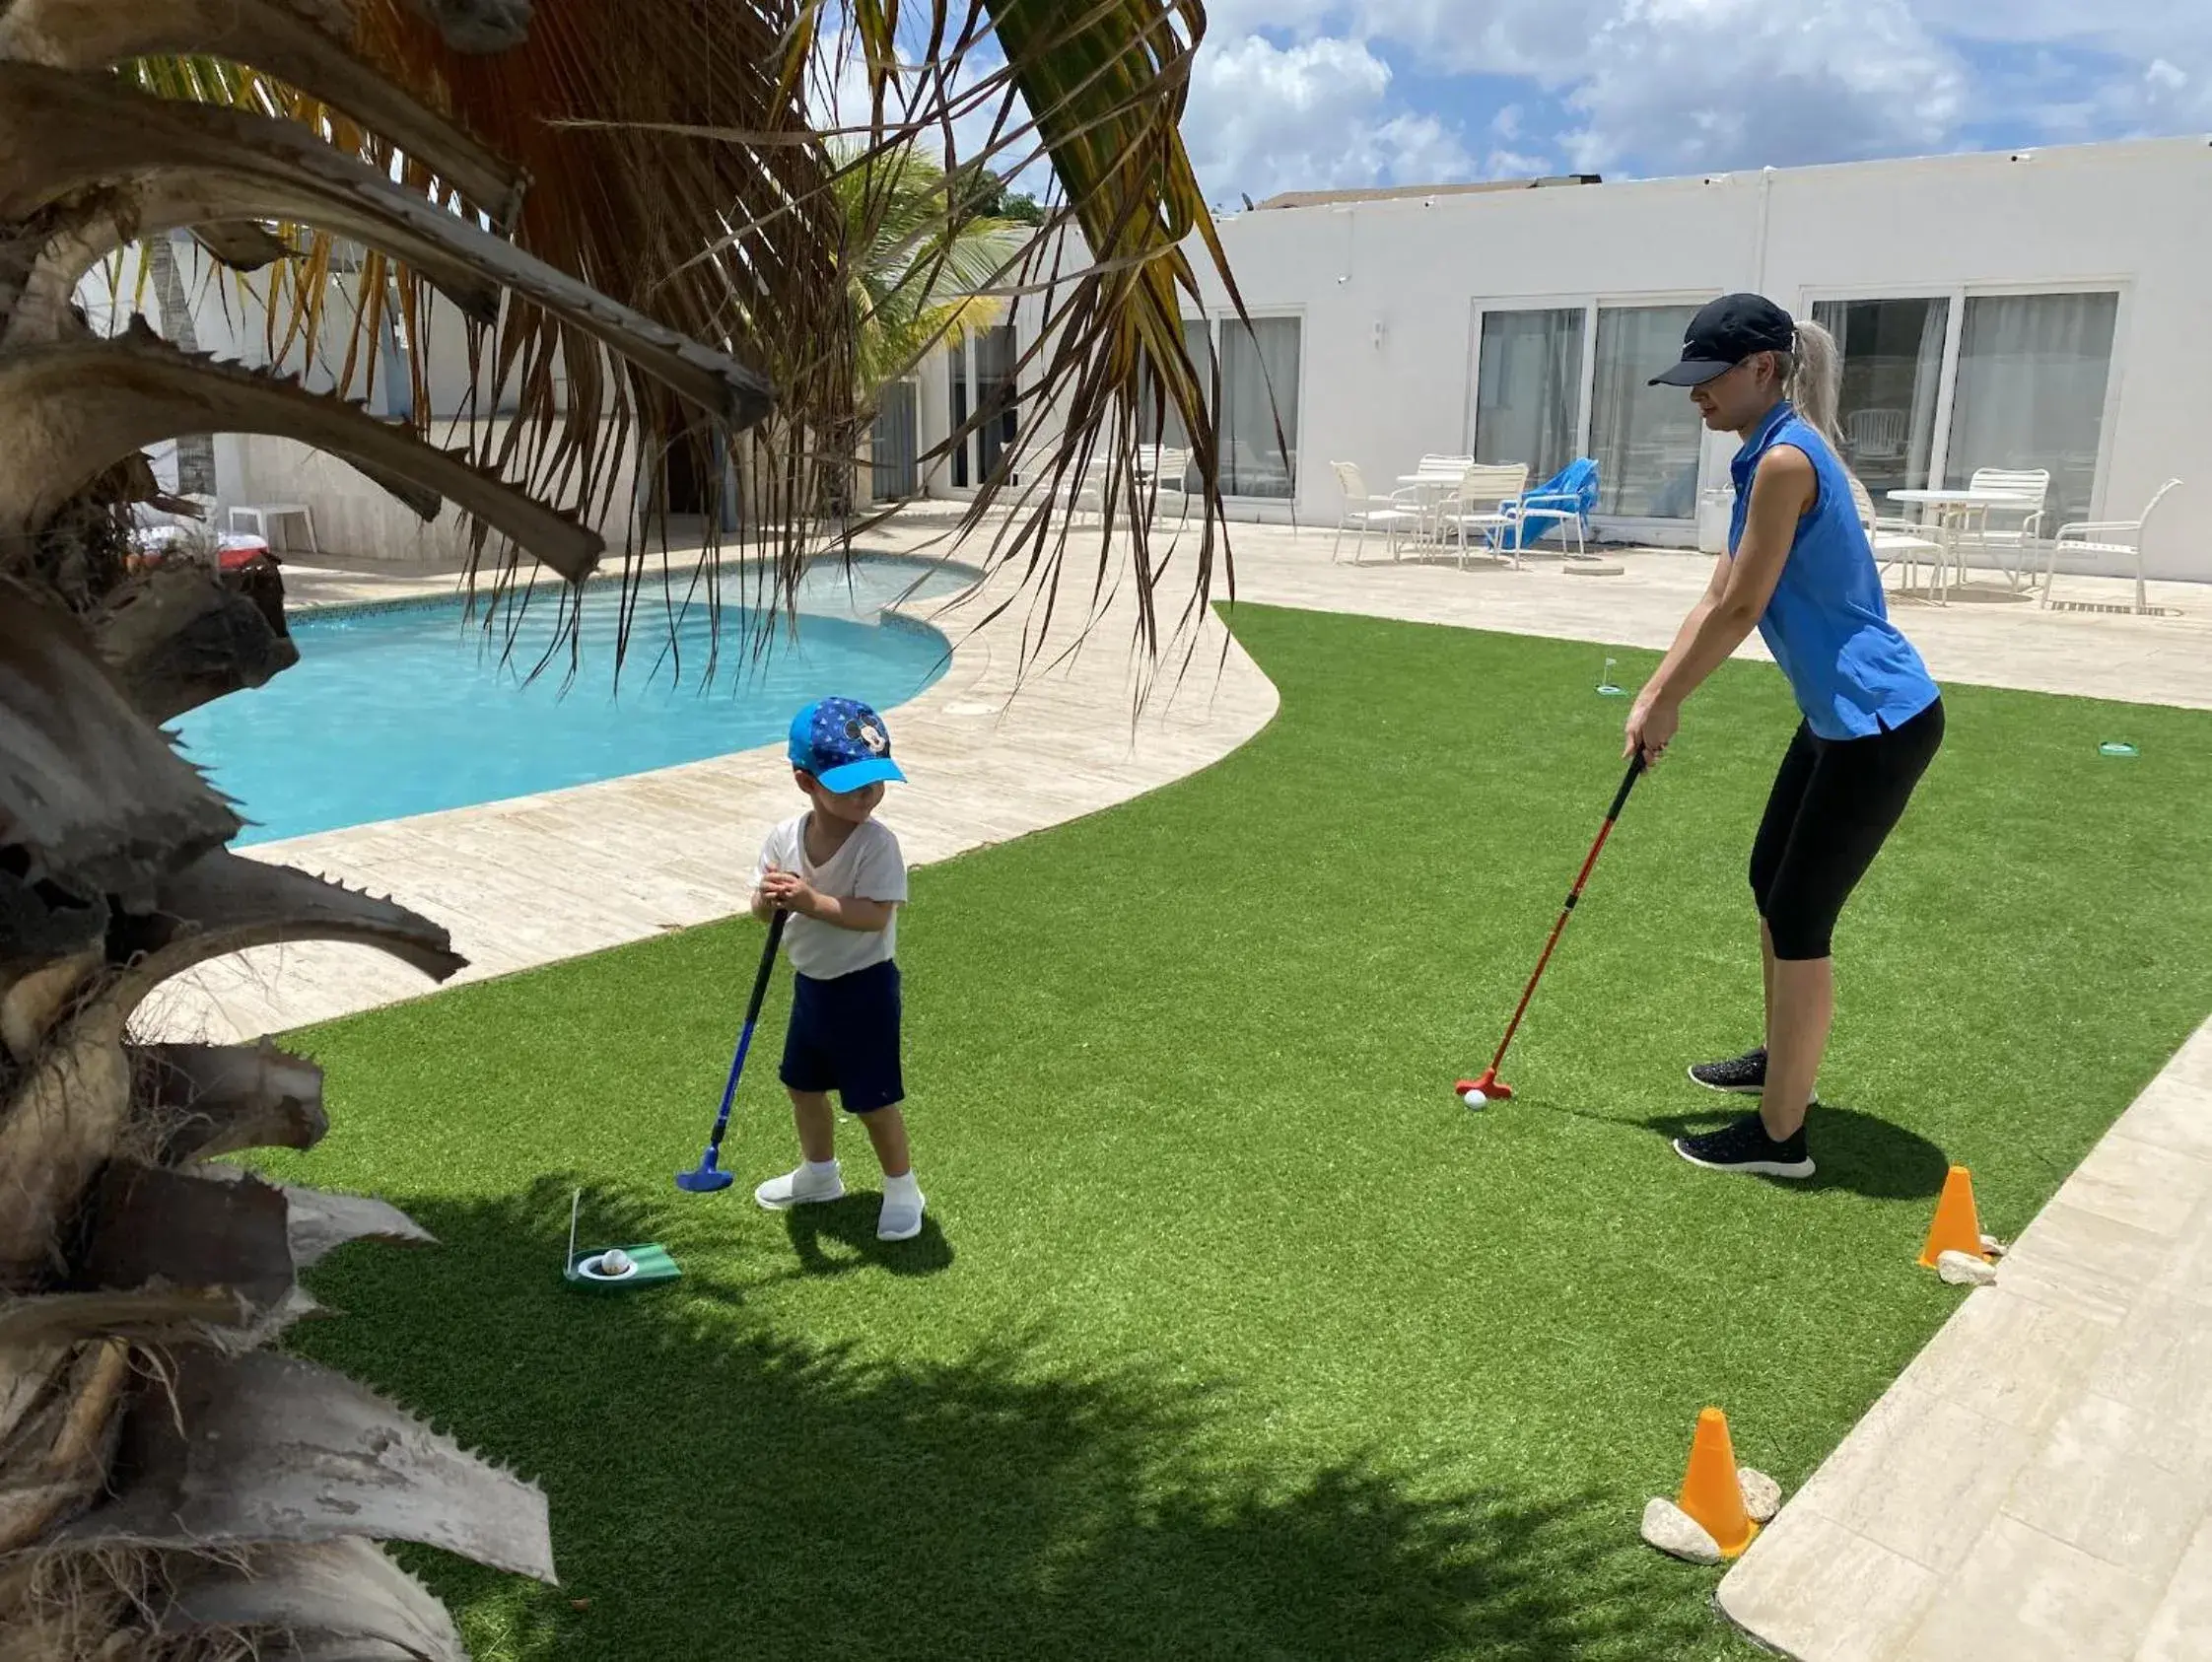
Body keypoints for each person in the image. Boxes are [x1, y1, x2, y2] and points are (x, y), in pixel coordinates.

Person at [1631, 293, 1945, 1180]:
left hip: (1879, 722)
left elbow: (1743, 608)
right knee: (1770, 880)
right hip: (1837, 719)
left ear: (1762, 368)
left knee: (1802, 915)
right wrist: (1655, 694)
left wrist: (1671, 701)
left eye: (1709, 378)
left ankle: (1780, 1138)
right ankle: (1782, 1063)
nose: (1696, 395)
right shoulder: (1759, 455)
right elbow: (1715, 594)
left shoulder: (1784, 462)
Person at [750, 696, 925, 1240]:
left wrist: (810, 901)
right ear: (806, 781)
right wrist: (768, 900)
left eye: (875, 783)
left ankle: (903, 1188)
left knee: (874, 1100)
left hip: (865, 989)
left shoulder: (877, 844)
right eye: (852, 787)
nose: (868, 796)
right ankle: (819, 1174)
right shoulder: (784, 838)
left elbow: (874, 917)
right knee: (802, 1087)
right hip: (812, 986)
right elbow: (761, 912)